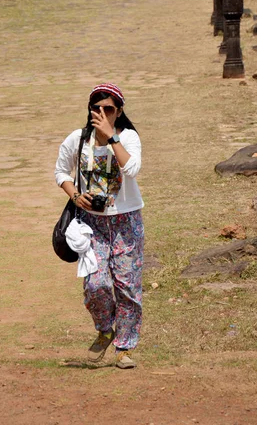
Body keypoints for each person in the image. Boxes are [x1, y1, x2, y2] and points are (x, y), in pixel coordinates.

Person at [55, 83, 144, 369]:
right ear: (89, 110)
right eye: (97, 108)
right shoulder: (78, 139)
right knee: (96, 284)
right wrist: (75, 195)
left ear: (119, 112)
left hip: (125, 221)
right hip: (90, 223)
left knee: (127, 286)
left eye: (109, 109)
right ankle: (105, 329)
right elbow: (60, 172)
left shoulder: (128, 138)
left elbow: (131, 169)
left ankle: (124, 348)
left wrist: (112, 138)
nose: (102, 114)